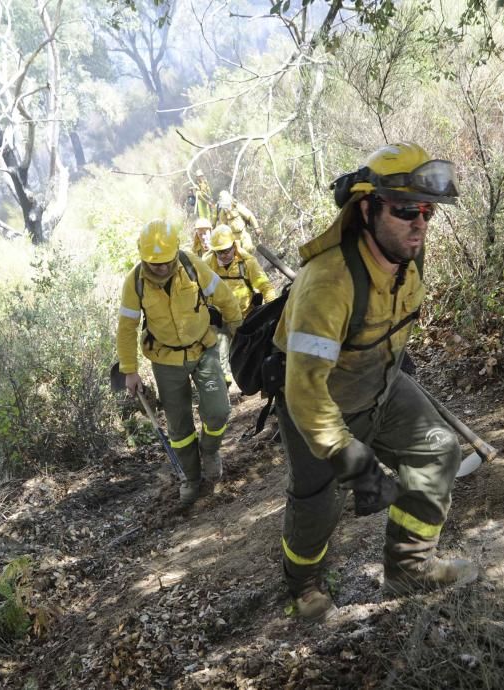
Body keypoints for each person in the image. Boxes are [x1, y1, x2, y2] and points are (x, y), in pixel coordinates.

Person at [271, 143, 477, 621]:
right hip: (321, 404)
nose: (420, 224)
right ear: (368, 208)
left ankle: (409, 569)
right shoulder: (328, 284)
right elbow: (304, 389)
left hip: (381, 386)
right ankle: (304, 586)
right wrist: (351, 457)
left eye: (427, 212)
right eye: (406, 211)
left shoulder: (408, 256)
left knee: (438, 449)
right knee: (318, 505)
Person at [117, 220, 243, 506]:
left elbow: (222, 295)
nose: (160, 267)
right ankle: (191, 476)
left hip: (203, 349)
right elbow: (126, 327)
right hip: (165, 359)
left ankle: (209, 451)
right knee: (179, 426)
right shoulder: (134, 282)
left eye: (165, 262)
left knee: (219, 411)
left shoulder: (191, 264)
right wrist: (130, 371)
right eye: (153, 263)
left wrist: (238, 327)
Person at [204, 224, 278, 384]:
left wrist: (272, 310)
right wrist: (207, 309)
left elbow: (266, 286)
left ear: (234, 246)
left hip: (245, 318)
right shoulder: (207, 264)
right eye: (219, 252)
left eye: (226, 250)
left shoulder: (247, 263)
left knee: (249, 353)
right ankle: (225, 385)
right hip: (219, 320)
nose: (223, 255)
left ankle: (254, 381)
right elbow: (196, 289)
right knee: (220, 351)